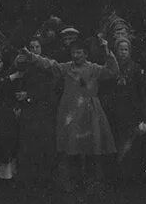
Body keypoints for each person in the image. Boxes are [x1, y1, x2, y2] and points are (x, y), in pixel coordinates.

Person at [25, 32, 119, 191]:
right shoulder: (66, 67)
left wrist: (107, 50)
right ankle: (75, 180)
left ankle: (90, 181)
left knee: (90, 146)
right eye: (73, 52)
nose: (75, 56)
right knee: (72, 147)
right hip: (71, 112)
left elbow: (112, 72)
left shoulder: (94, 69)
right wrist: (31, 56)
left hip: (89, 112)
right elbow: (49, 64)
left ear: (86, 54)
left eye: (79, 52)